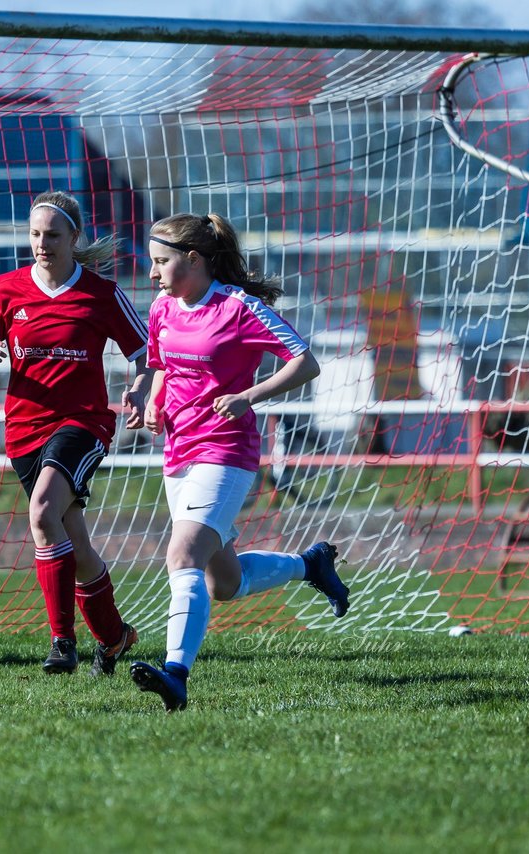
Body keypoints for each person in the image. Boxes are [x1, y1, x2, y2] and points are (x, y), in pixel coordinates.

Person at [125, 213, 350, 712]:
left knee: (182, 555)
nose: (152, 273)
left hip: (226, 450)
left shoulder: (239, 307)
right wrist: (154, 403)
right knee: (222, 583)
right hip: (178, 450)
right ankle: (308, 565)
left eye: (161, 262)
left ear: (194, 259)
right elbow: (161, 365)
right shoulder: (164, 305)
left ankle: (176, 675)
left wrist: (249, 395)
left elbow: (305, 362)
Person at [0, 190, 152, 676]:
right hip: (24, 430)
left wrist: (138, 389)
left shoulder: (102, 293)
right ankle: (114, 637)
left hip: (83, 424)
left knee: (43, 511)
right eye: (35, 234)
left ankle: (61, 642)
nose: (42, 243)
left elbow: (145, 352)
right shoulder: (7, 289)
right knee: (73, 540)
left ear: (74, 237)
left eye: (52, 234)